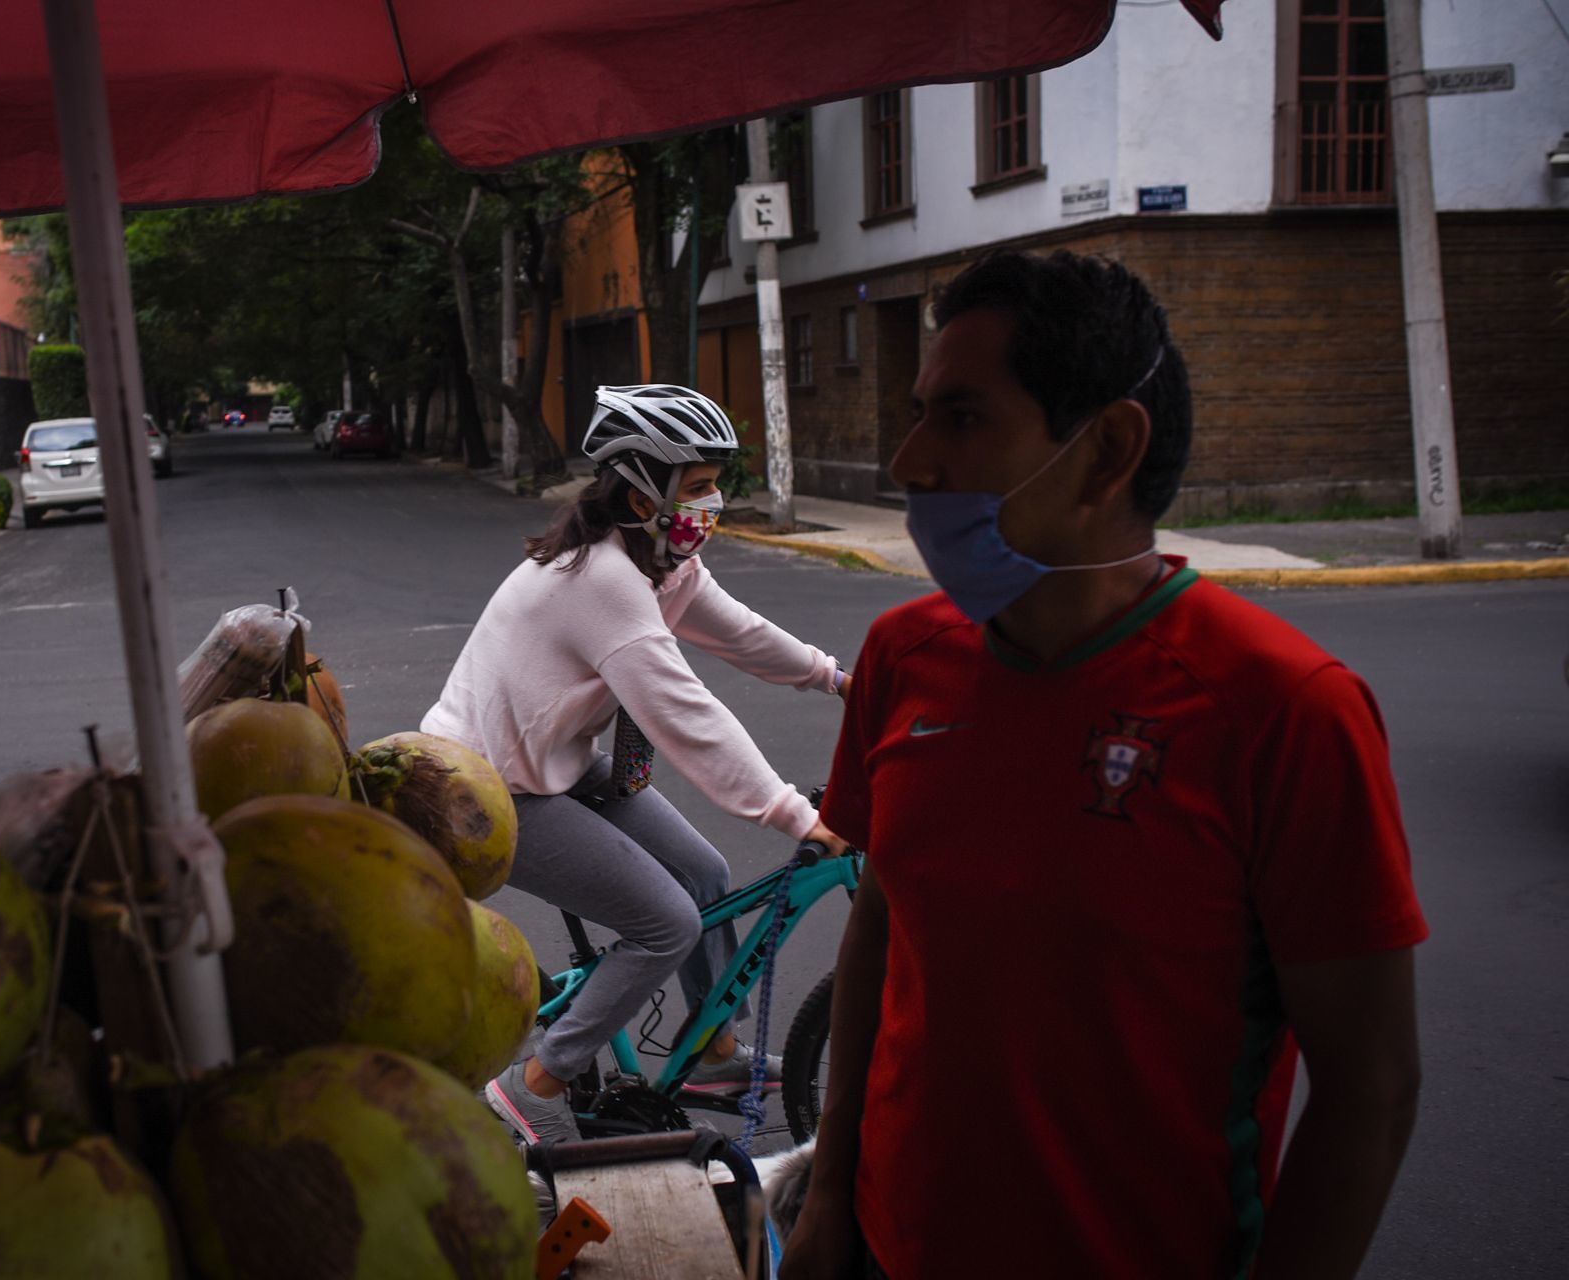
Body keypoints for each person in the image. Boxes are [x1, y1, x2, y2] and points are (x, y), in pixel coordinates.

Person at [782, 251, 1427, 1279]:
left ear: (1106, 449)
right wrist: (828, 1190)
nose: (907, 461)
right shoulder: (903, 656)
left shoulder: (1287, 708)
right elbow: (882, 921)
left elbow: (1372, 1087)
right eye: (917, 414)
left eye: (959, 417)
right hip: (886, 1246)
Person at [420, 383, 850, 1145]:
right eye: (698, 486)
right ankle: (533, 1083)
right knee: (665, 922)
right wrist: (795, 815)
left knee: (707, 871)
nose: (713, 502)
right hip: (486, 785)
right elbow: (687, 717)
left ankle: (716, 1052)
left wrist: (837, 678)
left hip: (556, 758)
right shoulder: (604, 582)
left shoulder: (660, 562)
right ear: (640, 486)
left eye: (716, 483)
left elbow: (741, 633)